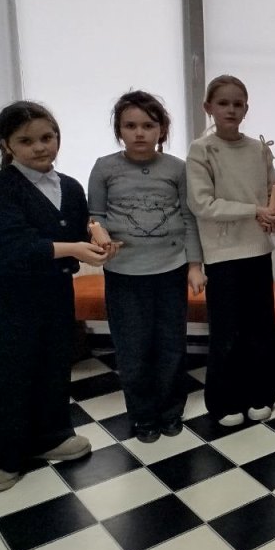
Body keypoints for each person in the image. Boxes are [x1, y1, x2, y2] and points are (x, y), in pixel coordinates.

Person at [0, 101, 109, 492]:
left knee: (54, 366)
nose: (40, 147)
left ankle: (53, 435)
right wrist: (75, 248)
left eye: (47, 137)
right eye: (26, 140)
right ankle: (7, 455)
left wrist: (96, 236)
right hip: (11, 298)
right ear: (7, 145)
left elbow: (77, 228)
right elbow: (14, 246)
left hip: (55, 292)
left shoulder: (69, 185)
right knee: (14, 375)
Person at [88, 91, 205, 443]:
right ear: (119, 130)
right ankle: (143, 415)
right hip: (124, 274)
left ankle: (170, 411)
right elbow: (95, 216)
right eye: (130, 125)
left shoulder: (177, 168)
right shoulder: (104, 167)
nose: (139, 133)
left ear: (161, 129)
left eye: (148, 125)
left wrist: (195, 265)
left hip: (170, 270)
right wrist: (98, 235)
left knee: (170, 344)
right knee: (133, 348)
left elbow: (189, 218)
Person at [186, 74, 275, 427]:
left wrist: (273, 213)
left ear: (246, 108)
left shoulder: (258, 148)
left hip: (257, 249)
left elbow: (272, 187)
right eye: (223, 103)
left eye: (238, 103)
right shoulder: (201, 150)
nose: (231, 109)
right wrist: (254, 210)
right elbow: (202, 204)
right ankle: (224, 401)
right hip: (222, 253)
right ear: (208, 107)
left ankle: (261, 394)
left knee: (260, 327)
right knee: (227, 332)